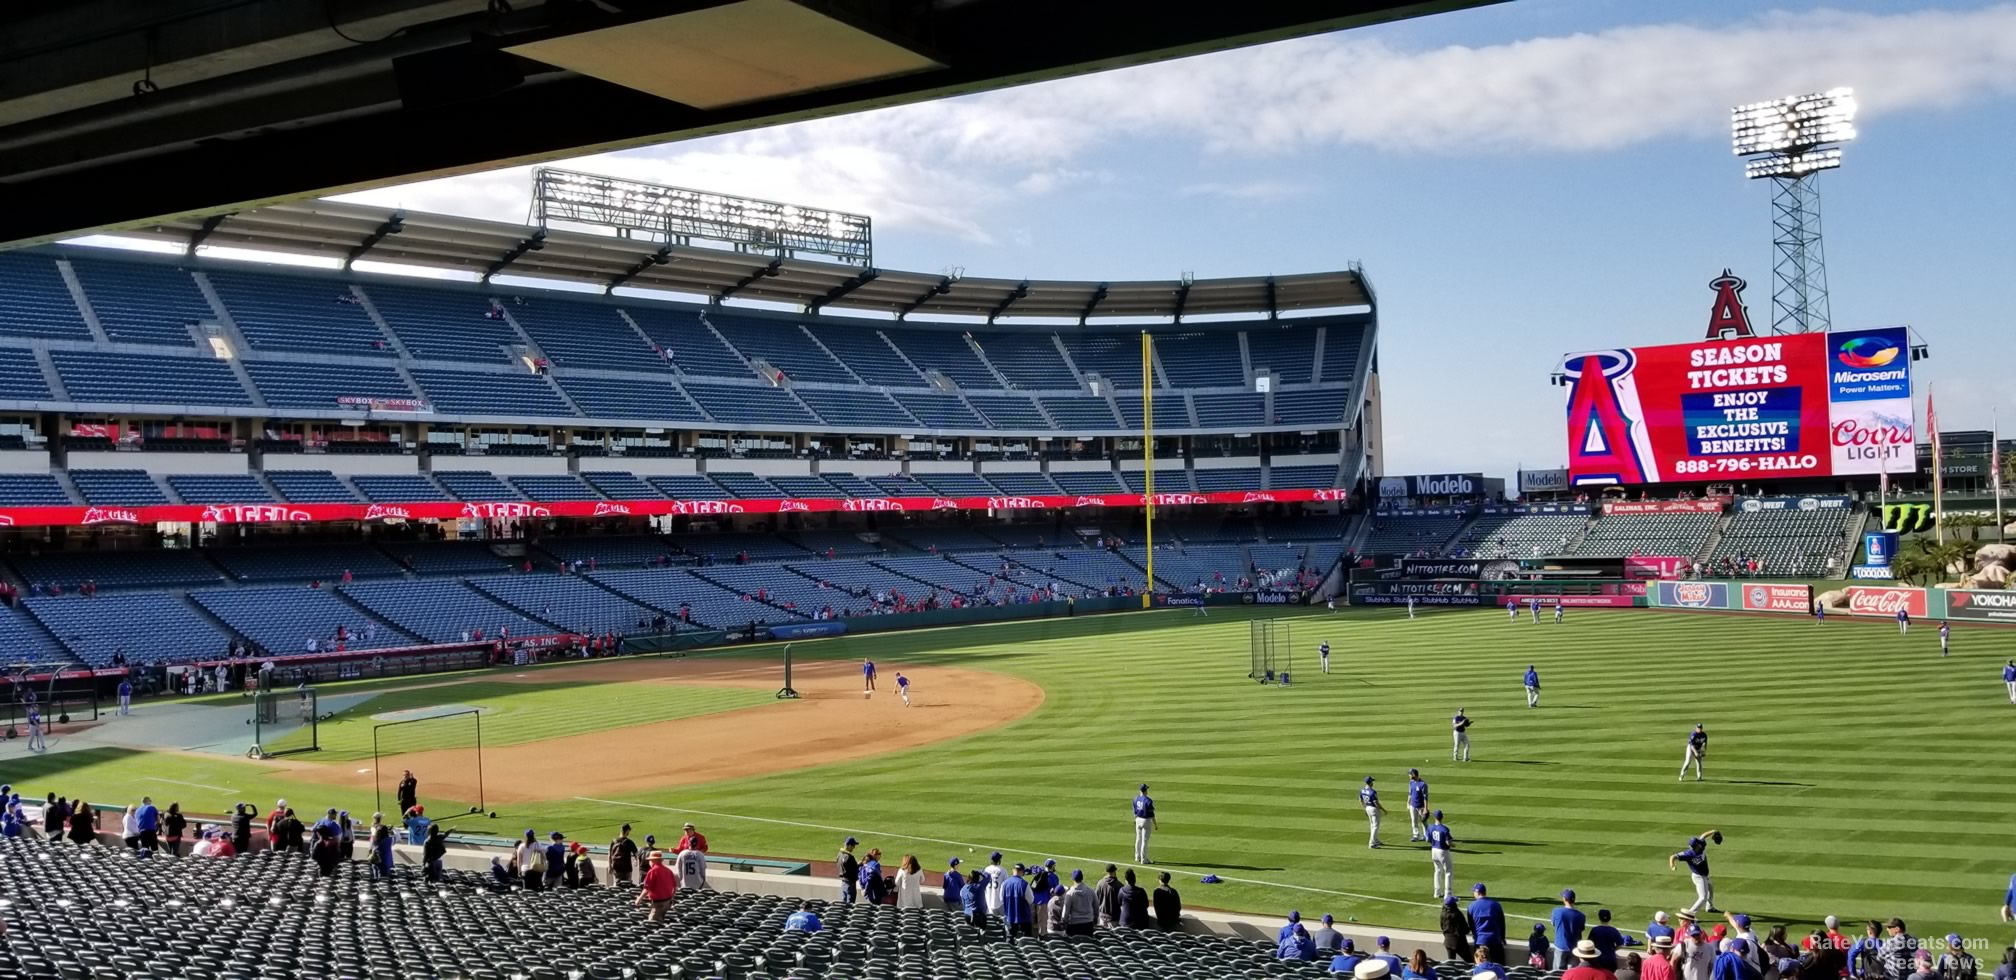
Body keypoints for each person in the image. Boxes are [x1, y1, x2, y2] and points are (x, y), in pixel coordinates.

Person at [1670, 833, 1721, 913]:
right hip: (1699, 877)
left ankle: (1709, 907)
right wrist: (1672, 865)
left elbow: (1703, 835)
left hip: (1705, 875)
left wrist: (1714, 831)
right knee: (1703, 898)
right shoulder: (1688, 854)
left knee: (1710, 889)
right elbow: (1673, 856)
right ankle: (1690, 914)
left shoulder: (1701, 844)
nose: (1694, 848)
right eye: (1693, 847)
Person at [1471, 882, 1508, 966]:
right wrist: (1502, 938)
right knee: (1500, 966)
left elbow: (1472, 925)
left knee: (1480, 967)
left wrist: (1475, 936)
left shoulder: (1472, 906)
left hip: (1480, 941)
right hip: (1495, 940)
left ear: (1478, 892)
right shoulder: (1496, 904)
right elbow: (1502, 923)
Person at [636, 850, 678, 921]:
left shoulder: (652, 871)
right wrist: (671, 897)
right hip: (667, 902)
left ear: (653, 860)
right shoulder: (668, 871)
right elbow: (675, 886)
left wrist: (639, 899)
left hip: (658, 903)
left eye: (650, 860)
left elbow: (647, 888)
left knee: (653, 923)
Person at [1552, 890, 1589, 969]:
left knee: (1557, 973)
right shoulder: (1581, 915)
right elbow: (1581, 929)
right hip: (1574, 949)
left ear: (1564, 899)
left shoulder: (1557, 912)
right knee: (1572, 974)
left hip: (1560, 947)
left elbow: (1553, 924)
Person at [1429, 809, 1456, 900]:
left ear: (1435, 817)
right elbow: (1448, 842)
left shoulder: (1431, 827)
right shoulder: (1444, 829)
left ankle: (1437, 892)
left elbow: (1428, 839)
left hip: (1433, 850)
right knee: (1448, 871)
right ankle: (1447, 893)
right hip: (1443, 851)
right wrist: (1453, 845)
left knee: (1437, 870)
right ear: (1442, 817)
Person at [1061, 869, 1098, 935]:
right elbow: (1096, 907)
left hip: (1074, 924)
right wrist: (1095, 919)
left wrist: (1064, 923)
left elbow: (1066, 911)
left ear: (1073, 879)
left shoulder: (1070, 894)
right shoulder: (1090, 891)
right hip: (1088, 924)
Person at [1002, 865, 1035, 937]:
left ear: (1013, 870)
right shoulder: (1025, 884)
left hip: (1010, 917)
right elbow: (1031, 900)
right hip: (1024, 918)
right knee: (1026, 940)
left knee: (1010, 939)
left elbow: (1001, 899)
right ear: (1022, 872)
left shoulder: (1004, 883)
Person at [1441, 895, 1475, 962]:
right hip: (1459, 942)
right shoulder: (1457, 914)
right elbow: (1465, 929)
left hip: (1448, 941)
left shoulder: (1443, 913)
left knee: (1451, 963)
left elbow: (1442, 926)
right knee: (1470, 962)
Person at [1132, 783, 1157, 863]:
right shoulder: (1148, 800)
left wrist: (1135, 819)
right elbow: (1152, 814)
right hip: (1146, 820)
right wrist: (1155, 824)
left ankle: (1137, 857)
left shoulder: (1136, 799)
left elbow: (1135, 811)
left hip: (1138, 819)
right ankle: (1144, 859)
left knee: (1138, 839)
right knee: (1145, 841)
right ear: (1145, 790)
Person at [962, 862, 990, 932]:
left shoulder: (963, 889)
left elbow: (963, 904)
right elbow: (988, 876)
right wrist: (979, 871)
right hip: (978, 916)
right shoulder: (979, 887)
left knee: (970, 935)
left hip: (967, 914)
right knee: (981, 935)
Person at [1361, 776, 1386, 848]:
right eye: (1372, 781)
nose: (1373, 783)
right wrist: (1383, 810)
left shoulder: (1362, 790)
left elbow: (1360, 800)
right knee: (1375, 826)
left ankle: (1376, 840)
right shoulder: (1372, 792)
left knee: (1372, 825)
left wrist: (1364, 808)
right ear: (1370, 782)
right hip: (1373, 809)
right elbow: (1376, 803)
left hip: (1367, 808)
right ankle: (1372, 843)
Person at [1095, 863, 1123, 928]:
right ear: (1114, 871)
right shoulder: (1119, 885)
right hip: (1114, 919)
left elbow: (1096, 899)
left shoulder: (1100, 883)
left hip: (1102, 917)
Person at [1406, 769, 1430, 842]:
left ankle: (1426, 835)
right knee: (1414, 820)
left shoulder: (1423, 784)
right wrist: (1408, 803)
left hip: (1421, 806)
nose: (1409, 775)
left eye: (1410, 774)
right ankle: (1415, 835)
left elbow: (1425, 797)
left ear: (1413, 774)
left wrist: (1426, 808)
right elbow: (1410, 793)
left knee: (1424, 821)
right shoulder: (1411, 782)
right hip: (1413, 805)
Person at [836, 837, 860, 903]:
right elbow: (854, 868)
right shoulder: (849, 857)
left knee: (844, 901)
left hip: (843, 881)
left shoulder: (839, 854)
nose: (854, 847)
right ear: (849, 845)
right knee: (850, 903)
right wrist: (860, 864)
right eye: (853, 845)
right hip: (850, 882)